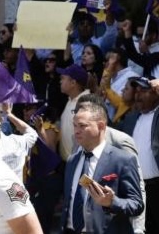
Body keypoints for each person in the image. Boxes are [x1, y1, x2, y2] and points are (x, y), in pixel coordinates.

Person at [61, 100, 144, 233]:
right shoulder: (72, 161)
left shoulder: (123, 160)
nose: (76, 131)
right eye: (74, 125)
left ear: (100, 126)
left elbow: (137, 204)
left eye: (82, 126)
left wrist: (112, 202)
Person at [118, 76, 159, 233]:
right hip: (136, 188)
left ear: (156, 93)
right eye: (137, 91)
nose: (138, 95)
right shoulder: (131, 119)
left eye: (145, 91)